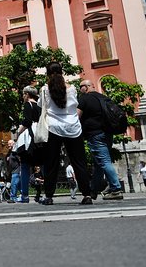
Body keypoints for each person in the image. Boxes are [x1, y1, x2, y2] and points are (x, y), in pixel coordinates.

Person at [38, 62, 92, 205]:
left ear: (47, 74)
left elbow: (40, 106)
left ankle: (49, 196)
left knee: (51, 163)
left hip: (53, 128)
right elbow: (74, 106)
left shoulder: (44, 89)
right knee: (79, 162)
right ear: (62, 72)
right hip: (73, 127)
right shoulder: (72, 88)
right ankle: (87, 195)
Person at [77, 79, 124, 200]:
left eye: (80, 86)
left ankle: (116, 189)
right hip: (107, 133)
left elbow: (76, 116)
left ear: (86, 87)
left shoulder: (84, 98)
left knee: (104, 161)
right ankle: (93, 189)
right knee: (98, 163)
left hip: (95, 134)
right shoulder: (104, 98)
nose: (79, 89)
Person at [14, 85, 41, 201]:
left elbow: (27, 121)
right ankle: (44, 193)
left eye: (24, 94)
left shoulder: (27, 105)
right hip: (40, 135)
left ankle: (24, 195)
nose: (23, 96)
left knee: (25, 166)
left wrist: (18, 132)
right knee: (42, 164)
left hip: (30, 137)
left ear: (27, 94)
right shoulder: (40, 106)